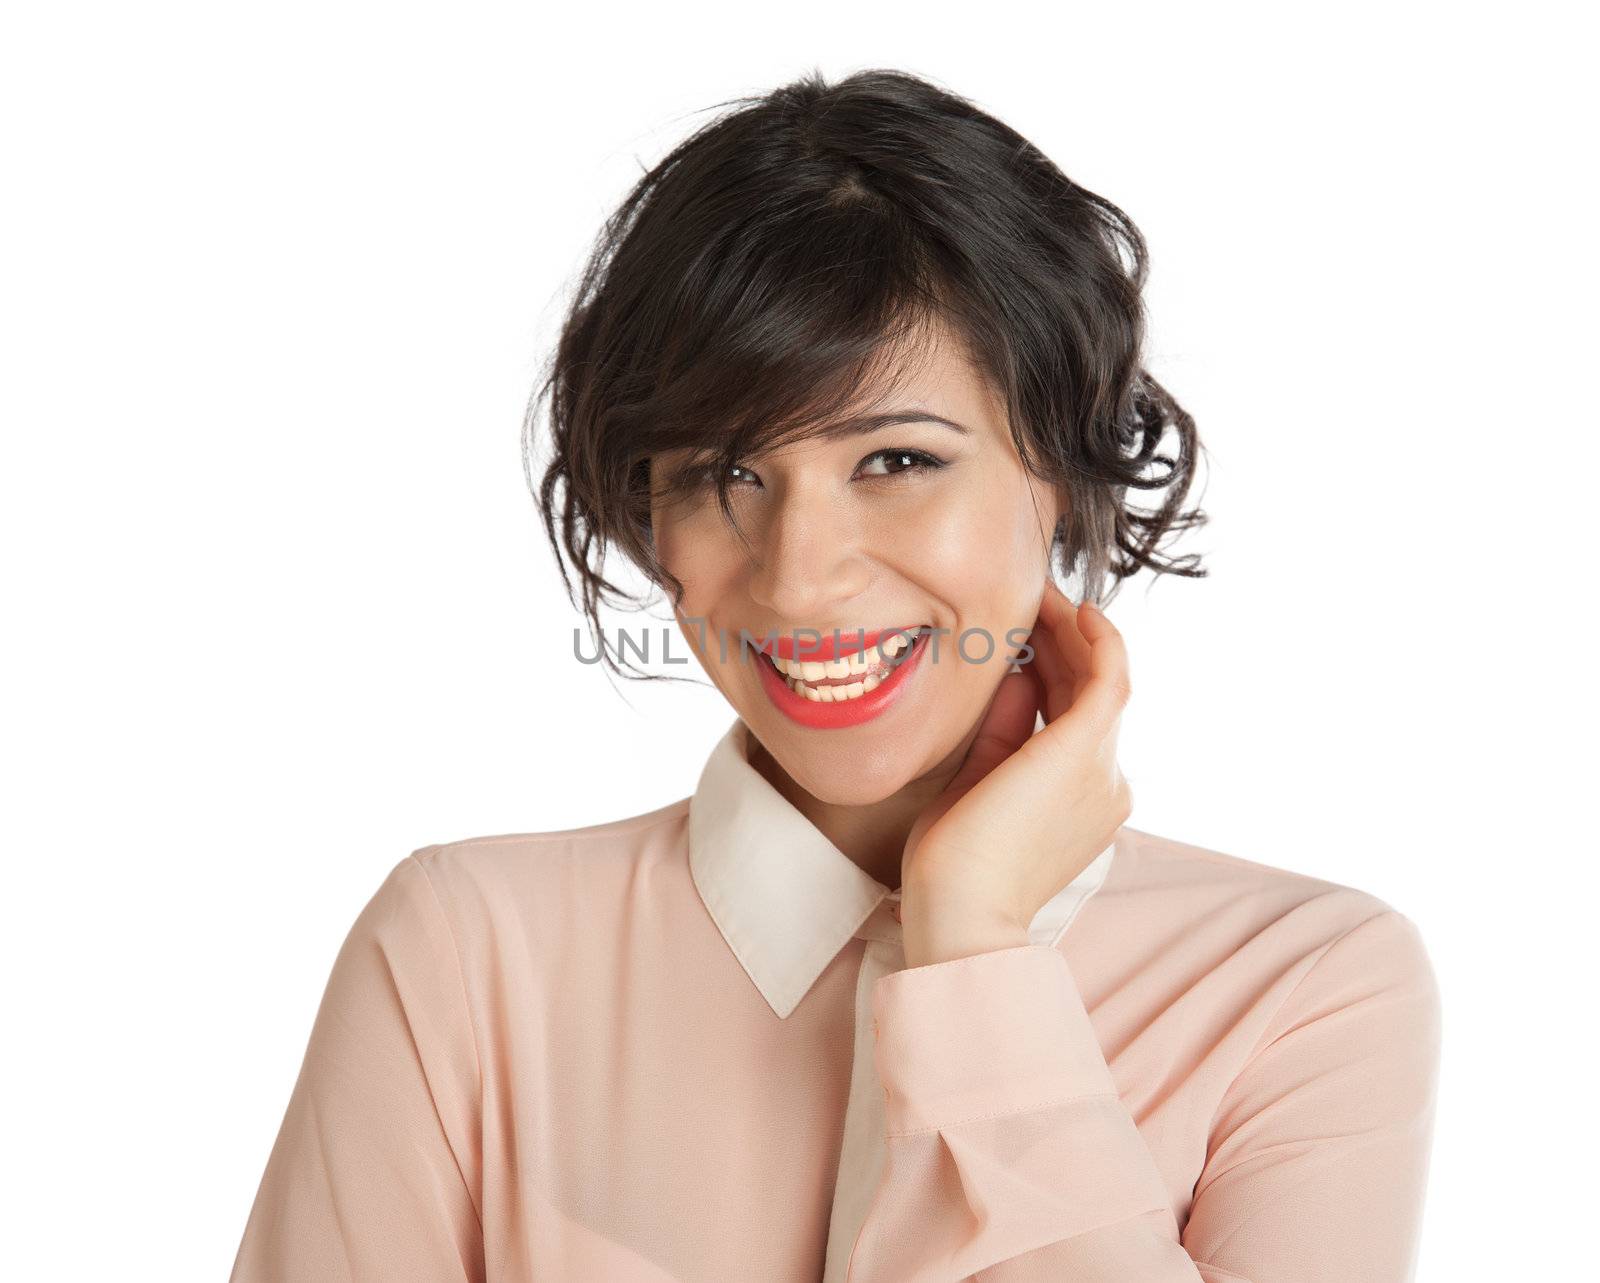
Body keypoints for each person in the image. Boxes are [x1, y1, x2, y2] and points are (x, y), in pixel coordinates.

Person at [230, 68, 1441, 1282]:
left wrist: (975, 952)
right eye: (724, 473)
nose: (798, 580)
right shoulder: (465, 955)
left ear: (1061, 477)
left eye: (898, 458)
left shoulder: (1302, 986)